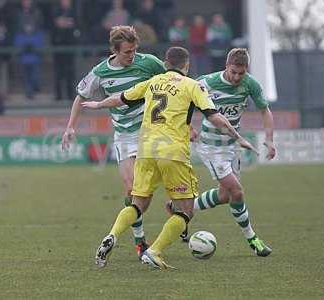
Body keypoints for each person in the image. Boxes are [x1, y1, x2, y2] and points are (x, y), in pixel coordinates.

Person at [81, 46, 256, 269]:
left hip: (144, 151)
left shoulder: (153, 82)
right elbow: (214, 117)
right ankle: (154, 251)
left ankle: (113, 235)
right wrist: (237, 136)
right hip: (173, 153)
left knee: (138, 205)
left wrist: (98, 104)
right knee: (184, 210)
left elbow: (121, 98)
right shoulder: (193, 85)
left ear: (165, 64)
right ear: (187, 65)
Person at [61, 25, 165, 258]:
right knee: (131, 188)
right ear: (115, 51)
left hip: (151, 132)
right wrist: (70, 127)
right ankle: (140, 241)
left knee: (147, 193)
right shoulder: (100, 72)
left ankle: (178, 213)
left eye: (134, 50)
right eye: (127, 52)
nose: (132, 56)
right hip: (125, 136)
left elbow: (175, 84)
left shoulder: (149, 63)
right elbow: (81, 97)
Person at [167, 48, 275, 257]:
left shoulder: (250, 84)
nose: (236, 77)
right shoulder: (206, 82)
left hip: (232, 147)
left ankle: (178, 207)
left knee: (225, 196)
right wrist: (188, 127)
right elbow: (183, 103)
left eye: (240, 73)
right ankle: (252, 239)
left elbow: (265, 111)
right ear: (226, 66)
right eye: (233, 72)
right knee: (237, 191)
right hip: (211, 147)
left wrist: (269, 140)